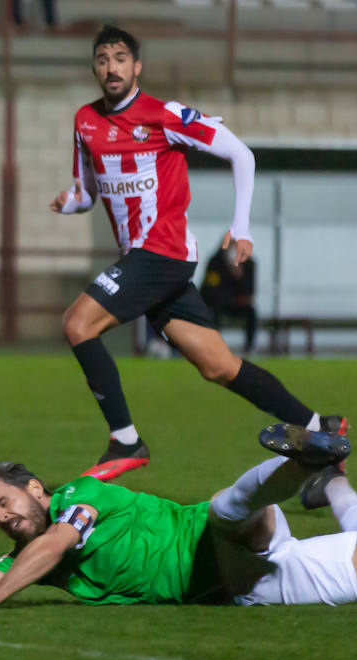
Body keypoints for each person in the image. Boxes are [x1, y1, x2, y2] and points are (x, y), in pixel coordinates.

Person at [50, 24, 341, 481]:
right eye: (103, 58)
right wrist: (70, 202)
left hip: (162, 252)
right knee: (218, 366)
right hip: (146, 259)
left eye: (121, 58)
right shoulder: (85, 121)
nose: (112, 67)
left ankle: (125, 440)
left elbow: (241, 155)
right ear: (94, 67)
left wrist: (240, 226)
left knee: (77, 323)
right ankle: (319, 430)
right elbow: (87, 192)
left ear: (137, 66)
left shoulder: (164, 115)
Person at [0, 424, 357, 610]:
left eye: (4, 503)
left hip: (214, 540)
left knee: (227, 510)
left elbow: (60, 541)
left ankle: (298, 463)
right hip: (247, 590)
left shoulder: (78, 497)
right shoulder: (28, 557)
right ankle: (332, 480)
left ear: (36, 490)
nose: (0, 517)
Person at [201, 247, 258, 354]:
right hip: (220, 303)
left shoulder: (249, 263)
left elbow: (250, 291)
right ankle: (214, 346)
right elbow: (209, 290)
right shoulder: (215, 262)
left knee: (251, 312)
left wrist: (239, 277)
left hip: (238, 304)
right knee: (213, 313)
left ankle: (249, 348)